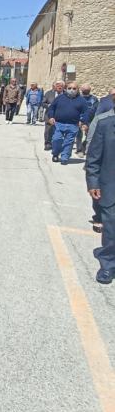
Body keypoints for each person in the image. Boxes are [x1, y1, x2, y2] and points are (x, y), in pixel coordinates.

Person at [86, 113, 115, 284]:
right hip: (111, 185)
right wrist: (93, 183)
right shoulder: (105, 125)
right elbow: (93, 158)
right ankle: (108, 264)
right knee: (111, 227)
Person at [46, 81, 90, 163]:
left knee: (68, 142)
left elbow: (86, 112)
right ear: (66, 89)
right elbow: (52, 108)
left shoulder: (81, 100)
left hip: (73, 125)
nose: (72, 90)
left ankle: (64, 157)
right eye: (69, 88)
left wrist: (83, 122)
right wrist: (51, 117)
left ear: (78, 89)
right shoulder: (60, 98)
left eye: (74, 88)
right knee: (56, 139)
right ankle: (55, 154)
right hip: (59, 123)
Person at [76, 84, 98, 156]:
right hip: (79, 120)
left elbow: (96, 109)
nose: (86, 91)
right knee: (79, 135)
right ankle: (79, 150)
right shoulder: (78, 98)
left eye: (87, 90)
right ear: (81, 90)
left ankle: (85, 148)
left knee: (89, 135)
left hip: (90, 120)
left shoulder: (94, 99)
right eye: (84, 90)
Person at [42, 81, 65, 150]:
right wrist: (48, 105)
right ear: (55, 86)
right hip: (49, 115)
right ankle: (47, 144)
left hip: (61, 116)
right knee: (48, 130)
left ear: (63, 87)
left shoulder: (66, 94)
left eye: (61, 85)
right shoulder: (48, 93)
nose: (59, 86)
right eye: (57, 85)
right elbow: (43, 103)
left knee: (59, 131)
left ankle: (57, 144)